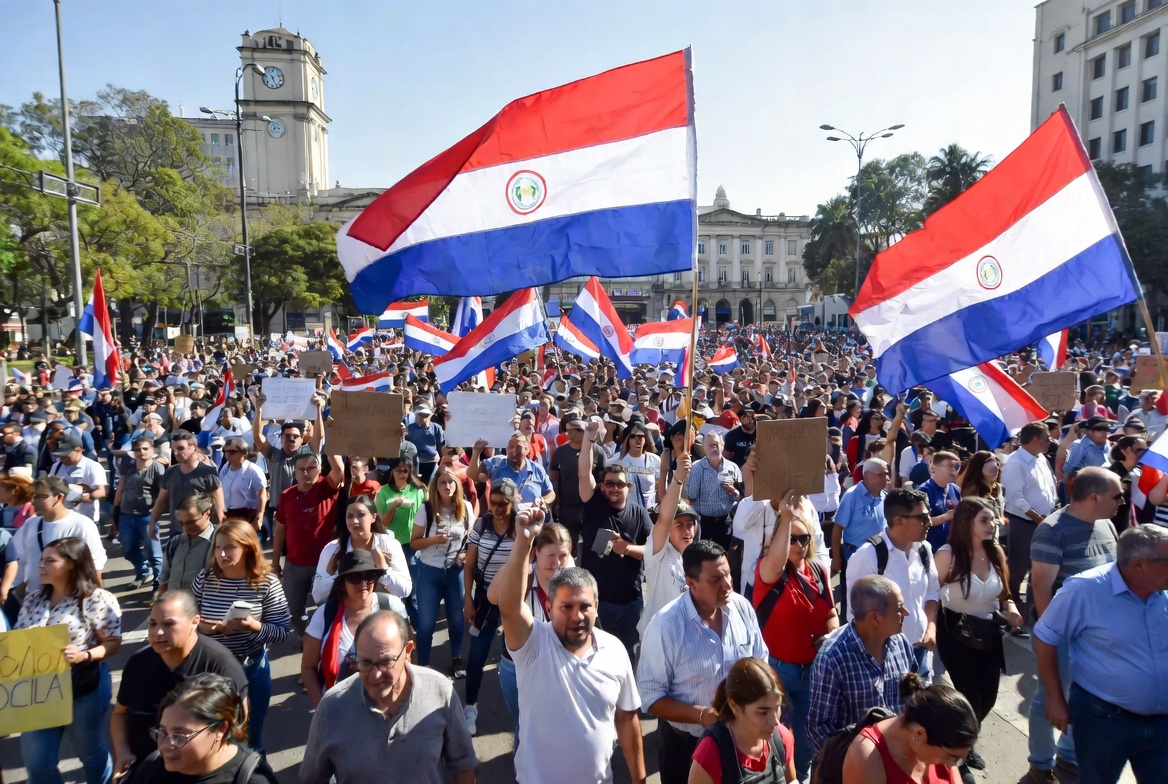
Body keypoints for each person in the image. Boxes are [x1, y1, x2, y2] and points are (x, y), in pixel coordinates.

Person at [494, 506, 646, 784]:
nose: (577, 616)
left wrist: (639, 779)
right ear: (549, 609)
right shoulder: (534, 645)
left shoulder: (615, 650)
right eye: (566, 607)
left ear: (596, 607)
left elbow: (627, 719)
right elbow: (510, 608)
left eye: (585, 606)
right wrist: (523, 542)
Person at [1033, 525, 1168, 784]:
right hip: (1104, 722)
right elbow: (1046, 636)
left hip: (1162, 724)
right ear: (1139, 565)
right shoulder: (1084, 590)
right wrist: (1054, 697)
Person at [637, 539, 768, 784]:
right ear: (690, 583)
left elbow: (760, 661)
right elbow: (650, 697)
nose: (727, 584)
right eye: (715, 579)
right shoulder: (665, 626)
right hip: (686, 747)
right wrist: (701, 715)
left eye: (727, 574)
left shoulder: (742, 608)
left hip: (740, 741)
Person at [300, 610, 478, 784]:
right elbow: (312, 778)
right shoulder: (331, 708)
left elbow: (463, 765)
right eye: (366, 663)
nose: (375, 675)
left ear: (408, 651)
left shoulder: (440, 692)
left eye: (385, 662)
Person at [1026, 466, 1120, 783]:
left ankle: (1067, 757)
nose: (1123, 500)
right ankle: (1040, 765)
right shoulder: (1052, 531)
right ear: (1094, 496)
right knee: (1050, 697)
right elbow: (1041, 587)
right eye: (1117, 495)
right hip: (1062, 635)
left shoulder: (1107, 524)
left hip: (1095, 634)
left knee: (1083, 698)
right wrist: (1054, 637)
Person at [16, 537, 122, 784]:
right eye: (41, 560)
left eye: (50, 561)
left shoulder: (96, 599)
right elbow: (20, 639)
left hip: (82, 689)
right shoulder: (33, 600)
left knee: (91, 754)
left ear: (72, 564)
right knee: (38, 764)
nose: (41, 565)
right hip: (38, 694)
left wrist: (84, 655)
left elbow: (113, 644)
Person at [111, 590, 249, 778]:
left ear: (195, 621)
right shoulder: (138, 663)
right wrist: (122, 753)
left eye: (168, 624)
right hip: (145, 773)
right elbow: (120, 714)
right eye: (152, 623)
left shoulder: (221, 665)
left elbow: (236, 730)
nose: (158, 632)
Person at [932, 498, 1023, 775]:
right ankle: (956, 756)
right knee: (969, 695)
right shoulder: (948, 554)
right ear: (966, 523)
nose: (992, 524)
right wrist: (929, 629)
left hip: (988, 633)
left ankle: (964, 741)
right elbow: (931, 595)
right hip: (955, 633)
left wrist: (1011, 609)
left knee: (989, 698)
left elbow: (1004, 594)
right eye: (984, 520)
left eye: (993, 519)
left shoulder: (996, 552)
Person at [752, 491, 839, 781]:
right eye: (792, 538)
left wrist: (832, 635)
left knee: (805, 738)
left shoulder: (818, 570)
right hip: (779, 672)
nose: (800, 545)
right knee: (771, 734)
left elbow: (830, 613)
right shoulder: (769, 572)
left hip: (814, 671)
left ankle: (798, 778)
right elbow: (775, 561)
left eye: (805, 539)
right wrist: (787, 516)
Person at [191, 519, 293, 753]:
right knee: (214, 737)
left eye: (230, 547)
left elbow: (283, 631)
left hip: (251, 668)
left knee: (251, 738)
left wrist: (253, 626)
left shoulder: (267, 583)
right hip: (210, 670)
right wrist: (204, 628)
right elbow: (189, 620)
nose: (222, 554)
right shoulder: (205, 579)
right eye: (218, 547)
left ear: (248, 548)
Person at [807, 575, 917, 752]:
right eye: (899, 608)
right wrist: (857, 761)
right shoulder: (833, 657)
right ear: (875, 618)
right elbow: (818, 729)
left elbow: (914, 694)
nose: (906, 612)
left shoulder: (901, 643)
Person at [486, 521, 574, 739]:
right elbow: (492, 596)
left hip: (559, 665)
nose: (557, 563)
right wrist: (521, 549)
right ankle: (524, 771)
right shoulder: (524, 577)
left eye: (563, 556)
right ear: (536, 553)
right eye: (551, 555)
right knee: (525, 727)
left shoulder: (573, 583)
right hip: (516, 667)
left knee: (557, 726)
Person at [845, 488, 939, 682]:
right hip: (885, 656)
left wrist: (931, 628)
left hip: (920, 650)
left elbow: (932, 592)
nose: (929, 522)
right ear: (899, 520)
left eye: (928, 515)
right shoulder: (867, 556)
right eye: (922, 517)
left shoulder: (924, 550)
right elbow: (856, 616)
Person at [578, 418, 652, 661]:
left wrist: (627, 548)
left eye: (619, 484)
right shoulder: (594, 503)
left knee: (629, 657)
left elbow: (653, 550)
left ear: (628, 487)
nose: (614, 488)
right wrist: (589, 440)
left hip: (631, 601)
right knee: (596, 657)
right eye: (609, 484)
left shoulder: (639, 513)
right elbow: (583, 472)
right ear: (602, 486)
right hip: (599, 601)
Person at [126, 673, 278, 783]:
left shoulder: (254, 779)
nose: (165, 746)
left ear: (220, 729)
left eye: (179, 736)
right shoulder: (153, 768)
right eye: (162, 732)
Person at [301, 549, 406, 708]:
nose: (364, 584)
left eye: (370, 576)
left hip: (387, 708)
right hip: (339, 709)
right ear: (342, 583)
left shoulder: (392, 607)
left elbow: (409, 657)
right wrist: (322, 707)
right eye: (354, 577)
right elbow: (308, 667)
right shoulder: (324, 615)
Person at [461, 477, 520, 734]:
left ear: (511, 503)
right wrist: (468, 599)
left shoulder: (521, 527)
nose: (495, 508)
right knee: (476, 655)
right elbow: (470, 565)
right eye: (492, 502)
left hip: (514, 600)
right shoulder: (482, 524)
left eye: (502, 504)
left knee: (518, 656)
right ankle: (470, 706)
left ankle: (523, 707)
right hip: (485, 598)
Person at [841, 675, 979, 784]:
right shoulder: (867, 757)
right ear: (919, 734)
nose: (951, 767)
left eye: (958, 760)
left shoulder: (942, 743)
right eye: (950, 757)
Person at [687, 657, 797, 784]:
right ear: (734, 706)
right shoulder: (711, 753)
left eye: (777, 708)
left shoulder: (782, 739)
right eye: (763, 712)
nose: (775, 722)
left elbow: (792, 780)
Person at [274, 448, 345, 638]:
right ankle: (307, 640)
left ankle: (326, 642)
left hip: (325, 565)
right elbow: (280, 530)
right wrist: (274, 563)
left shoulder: (326, 488)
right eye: (301, 469)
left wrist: (332, 444)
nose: (306, 472)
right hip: (294, 565)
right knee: (293, 612)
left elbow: (339, 469)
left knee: (328, 608)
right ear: (295, 471)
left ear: (320, 469)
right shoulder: (286, 495)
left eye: (311, 468)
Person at [411, 466, 474, 672]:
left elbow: (470, 540)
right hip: (429, 571)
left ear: (457, 485)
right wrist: (433, 540)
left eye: (451, 482)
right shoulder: (426, 509)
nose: (447, 486)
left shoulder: (465, 507)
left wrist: (465, 554)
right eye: (442, 482)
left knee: (456, 620)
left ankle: (456, 657)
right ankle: (423, 666)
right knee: (427, 623)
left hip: (455, 571)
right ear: (435, 486)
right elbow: (414, 543)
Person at [12, 476, 107, 596]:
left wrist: (94, 600)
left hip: (69, 601)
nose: (33, 501)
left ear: (59, 497)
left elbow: (94, 565)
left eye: (40, 497)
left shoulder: (82, 525)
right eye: (33, 496)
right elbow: (21, 561)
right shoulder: (31, 524)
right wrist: (12, 590)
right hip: (35, 601)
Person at [1001, 422, 1057, 619]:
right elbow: (1015, 497)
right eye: (1046, 438)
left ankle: (1035, 606)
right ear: (1034, 440)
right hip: (1024, 523)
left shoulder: (1040, 458)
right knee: (1018, 567)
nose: (1050, 442)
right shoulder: (1015, 463)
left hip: (1043, 521)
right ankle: (1012, 606)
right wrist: (1037, 517)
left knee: (1041, 566)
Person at [638, 450, 697, 638]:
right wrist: (678, 479)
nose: (686, 530)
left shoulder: (700, 558)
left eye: (690, 524)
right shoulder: (659, 554)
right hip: (657, 638)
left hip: (688, 638)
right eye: (679, 525)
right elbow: (664, 518)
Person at [311, 494, 410, 604]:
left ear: (373, 517)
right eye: (350, 516)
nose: (355, 521)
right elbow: (318, 597)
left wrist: (383, 570)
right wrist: (334, 575)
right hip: (347, 613)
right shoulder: (333, 549)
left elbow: (404, 591)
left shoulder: (389, 545)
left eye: (361, 515)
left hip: (382, 614)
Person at [832, 458, 890, 612]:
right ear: (868, 475)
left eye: (887, 474)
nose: (887, 478)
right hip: (854, 554)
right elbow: (837, 529)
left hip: (878, 556)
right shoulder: (852, 496)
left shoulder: (884, 496)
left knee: (875, 597)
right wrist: (836, 559)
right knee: (853, 597)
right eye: (882, 474)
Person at [149, 430, 225, 539]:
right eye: (173, 449)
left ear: (193, 447)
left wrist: (220, 527)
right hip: (177, 532)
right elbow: (161, 500)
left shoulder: (208, 472)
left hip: (202, 533)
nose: (176, 453)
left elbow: (219, 504)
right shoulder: (170, 472)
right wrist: (153, 522)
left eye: (180, 448)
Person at [114, 434, 166, 590]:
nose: (141, 452)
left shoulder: (158, 467)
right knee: (129, 550)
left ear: (153, 450)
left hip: (147, 517)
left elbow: (163, 493)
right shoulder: (128, 465)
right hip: (126, 515)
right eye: (137, 449)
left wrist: (156, 510)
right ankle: (143, 572)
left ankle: (159, 583)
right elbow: (121, 488)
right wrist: (115, 512)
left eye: (145, 448)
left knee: (154, 554)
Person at [548, 413, 606, 545]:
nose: (568, 434)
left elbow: (602, 478)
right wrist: (556, 503)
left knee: (590, 544)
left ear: (582, 432)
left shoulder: (597, 451)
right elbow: (553, 475)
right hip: (567, 508)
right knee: (567, 543)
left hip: (590, 508)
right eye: (567, 431)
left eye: (572, 431)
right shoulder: (561, 452)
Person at [683, 431, 743, 550]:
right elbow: (692, 495)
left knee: (723, 555)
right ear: (704, 448)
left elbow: (741, 497)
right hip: (703, 523)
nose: (714, 448)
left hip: (726, 522)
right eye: (710, 445)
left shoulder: (733, 467)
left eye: (716, 444)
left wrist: (733, 491)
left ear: (722, 445)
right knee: (703, 557)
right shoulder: (696, 468)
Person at [469, 431, 556, 506]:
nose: (513, 450)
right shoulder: (496, 464)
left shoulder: (537, 470)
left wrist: (543, 501)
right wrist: (476, 452)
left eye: (518, 447)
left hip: (531, 520)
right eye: (510, 447)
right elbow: (474, 476)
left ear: (527, 449)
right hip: (503, 519)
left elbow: (550, 493)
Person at [158, 492, 216, 593]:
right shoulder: (175, 543)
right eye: (181, 523)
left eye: (191, 522)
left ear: (207, 514)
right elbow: (164, 577)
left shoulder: (219, 543)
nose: (185, 528)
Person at [45, 430, 108, 523]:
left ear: (78, 450)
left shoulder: (92, 466)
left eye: (65, 455)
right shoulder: (57, 466)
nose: (62, 458)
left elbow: (103, 491)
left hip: (86, 519)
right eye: (59, 455)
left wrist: (83, 497)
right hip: (62, 518)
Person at [219, 436, 268, 534]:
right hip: (228, 515)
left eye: (232, 452)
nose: (227, 455)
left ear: (244, 453)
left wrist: (259, 518)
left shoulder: (252, 470)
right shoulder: (226, 468)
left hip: (247, 515)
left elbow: (262, 494)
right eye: (226, 451)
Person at [917, 451, 962, 551]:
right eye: (951, 466)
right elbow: (920, 522)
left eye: (957, 466)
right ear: (933, 468)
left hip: (952, 546)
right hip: (932, 548)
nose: (955, 470)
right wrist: (946, 517)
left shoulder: (955, 489)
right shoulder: (925, 490)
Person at [406, 404, 445, 483]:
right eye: (420, 415)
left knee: (431, 483)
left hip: (432, 461)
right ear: (416, 415)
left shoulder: (436, 428)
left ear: (431, 415)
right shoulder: (410, 428)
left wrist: (442, 460)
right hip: (415, 462)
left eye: (426, 415)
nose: (423, 418)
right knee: (416, 484)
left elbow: (440, 445)